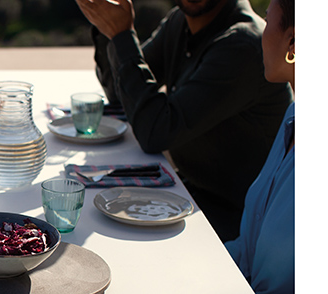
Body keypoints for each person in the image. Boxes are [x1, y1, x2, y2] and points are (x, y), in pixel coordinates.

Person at [74, 0, 293, 242]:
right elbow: (122, 93)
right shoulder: (181, 21)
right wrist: (108, 27)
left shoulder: (242, 43)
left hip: (233, 221)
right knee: (85, 209)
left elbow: (155, 132)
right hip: (187, 191)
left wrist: (121, 34)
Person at [225, 0, 294, 294]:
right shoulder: (295, 118)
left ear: (292, 43)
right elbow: (249, 249)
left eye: (267, 20)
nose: (260, 34)